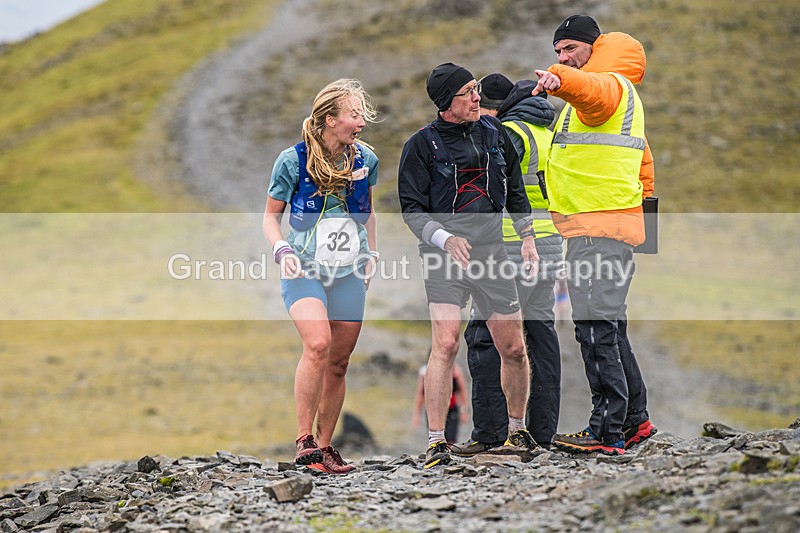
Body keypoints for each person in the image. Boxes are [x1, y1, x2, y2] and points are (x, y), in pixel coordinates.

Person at [398, 62, 541, 469]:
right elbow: (411, 211)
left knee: (513, 346)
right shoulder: (420, 146)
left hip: (494, 252)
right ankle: (437, 442)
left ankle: (518, 431)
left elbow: (515, 188)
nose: (477, 96)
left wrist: (527, 239)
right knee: (445, 344)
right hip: (444, 257)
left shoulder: (496, 133)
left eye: (476, 88)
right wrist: (445, 239)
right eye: (467, 91)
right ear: (446, 102)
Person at [533, 15, 657, 455]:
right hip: (604, 228)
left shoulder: (608, 88)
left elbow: (591, 91)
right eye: (558, 52)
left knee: (594, 329)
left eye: (570, 49)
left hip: (597, 229)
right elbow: (645, 168)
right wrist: (645, 234)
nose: (564, 57)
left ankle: (607, 432)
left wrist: (558, 79)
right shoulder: (624, 99)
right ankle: (635, 420)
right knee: (611, 326)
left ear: (594, 47)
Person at [262, 78, 380, 474]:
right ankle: (304, 442)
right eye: (353, 115)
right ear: (330, 119)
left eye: (361, 115)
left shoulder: (366, 160)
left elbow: (369, 214)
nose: (360, 123)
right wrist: (281, 251)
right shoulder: (291, 161)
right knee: (318, 344)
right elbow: (270, 218)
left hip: (349, 270)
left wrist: (372, 255)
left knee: (339, 362)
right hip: (304, 268)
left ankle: (326, 447)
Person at [453, 75, 564, 456]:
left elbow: (494, 191)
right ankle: (542, 432)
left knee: (486, 336)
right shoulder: (544, 131)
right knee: (540, 336)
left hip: (511, 247)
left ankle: (491, 433)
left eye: (480, 105)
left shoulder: (506, 133)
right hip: (549, 243)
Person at [411, 361, 469, 444]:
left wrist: (464, 410)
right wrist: (417, 415)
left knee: (451, 439)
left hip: (451, 409)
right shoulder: (424, 372)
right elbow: (421, 394)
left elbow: (462, 389)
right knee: (436, 437)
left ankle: (449, 453)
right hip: (433, 410)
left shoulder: (455, 371)